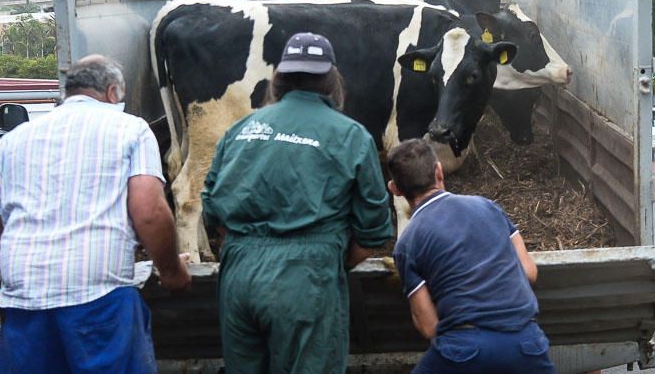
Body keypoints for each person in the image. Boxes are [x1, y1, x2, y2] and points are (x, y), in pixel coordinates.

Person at [0, 54, 191, 374]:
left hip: (25, 303)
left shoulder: (16, 139)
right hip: (98, 300)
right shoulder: (130, 129)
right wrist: (171, 272)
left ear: (69, 91)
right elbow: (149, 213)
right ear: (113, 92)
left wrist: (14, 264)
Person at [202, 32, 393, 373]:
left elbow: (212, 208)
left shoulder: (241, 129)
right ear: (332, 80)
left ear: (278, 79)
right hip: (307, 279)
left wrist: (251, 246)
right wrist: (324, 258)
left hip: (239, 278)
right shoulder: (350, 135)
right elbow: (374, 231)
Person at [386, 139, 556, 373]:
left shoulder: (406, 243)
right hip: (526, 343)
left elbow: (428, 327)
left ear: (394, 189)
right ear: (438, 171)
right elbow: (529, 272)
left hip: (465, 347)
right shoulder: (488, 207)